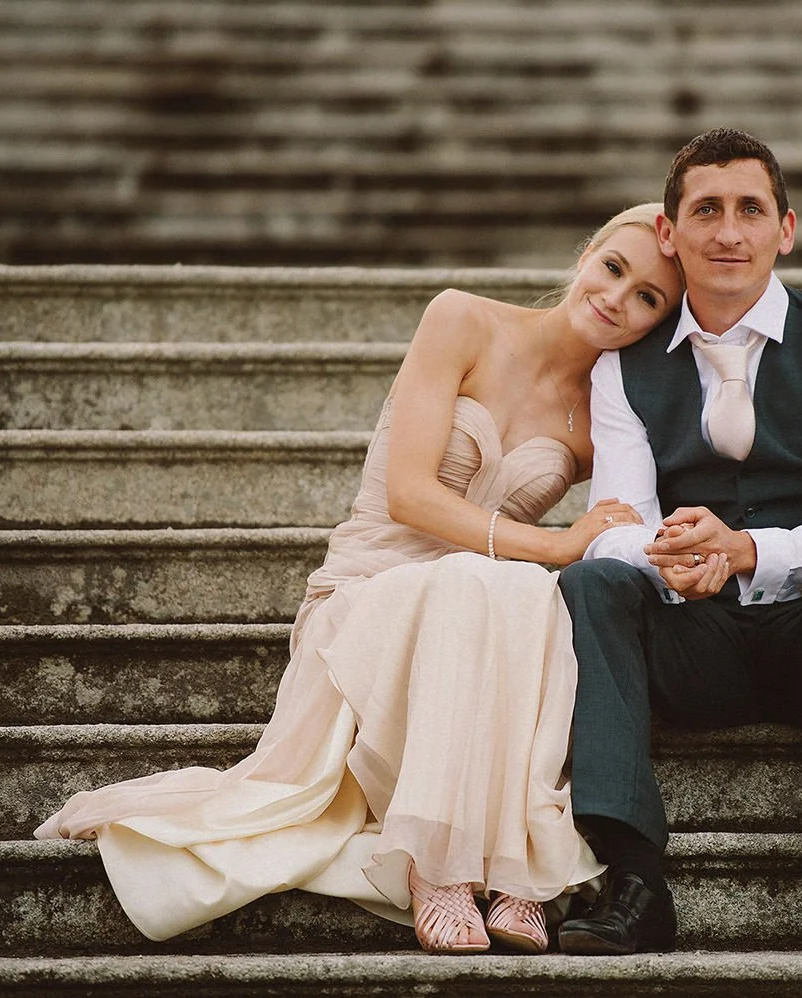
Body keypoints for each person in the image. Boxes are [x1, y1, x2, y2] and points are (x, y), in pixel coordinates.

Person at [35, 203, 684, 955]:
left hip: (475, 614)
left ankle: (513, 873)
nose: (616, 299)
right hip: (369, 588)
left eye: (647, 299)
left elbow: (639, 514)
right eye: (614, 268)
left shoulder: (602, 412)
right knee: (503, 579)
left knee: (533, 595)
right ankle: (437, 866)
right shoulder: (463, 320)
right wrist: (552, 541)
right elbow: (409, 493)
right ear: (586, 255)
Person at [555, 129, 802, 958]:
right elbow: (616, 523)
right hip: (695, 640)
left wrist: (749, 549)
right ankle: (635, 877)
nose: (728, 232)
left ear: (785, 229)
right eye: (706, 210)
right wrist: (671, 557)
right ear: (670, 235)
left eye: (750, 209)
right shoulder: (624, 367)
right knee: (590, 582)